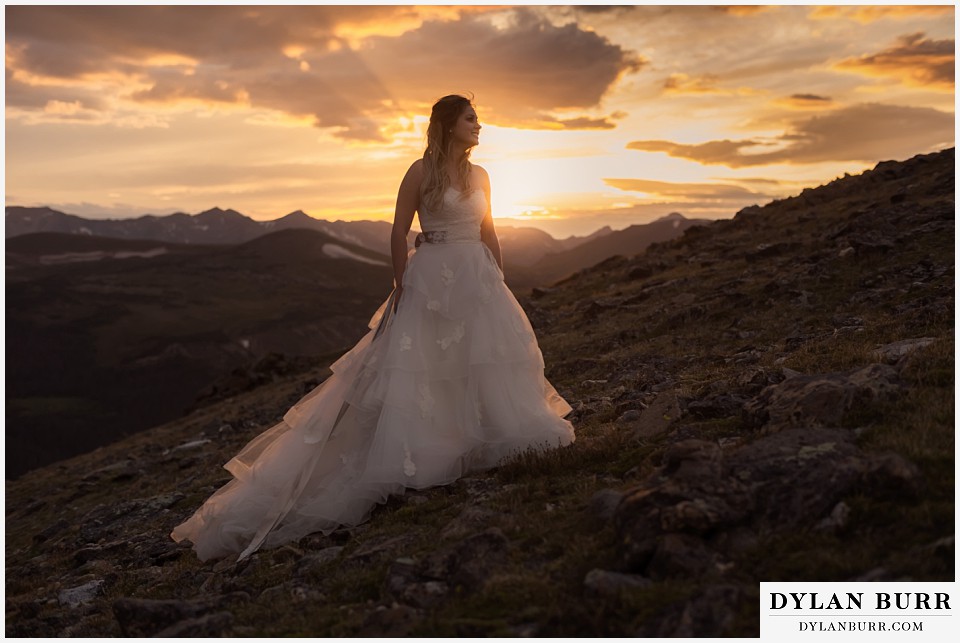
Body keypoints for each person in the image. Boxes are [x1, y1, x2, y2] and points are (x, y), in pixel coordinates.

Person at [171, 94, 576, 562]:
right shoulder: (420, 171)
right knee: (425, 366)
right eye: (471, 119)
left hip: (478, 279)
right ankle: (428, 450)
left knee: (479, 360)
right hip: (430, 277)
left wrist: (498, 280)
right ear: (448, 125)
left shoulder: (482, 175)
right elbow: (399, 229)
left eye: (478, 119)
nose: (479, 126)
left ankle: (479, 437)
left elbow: (489, 231)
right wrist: (403, 285)